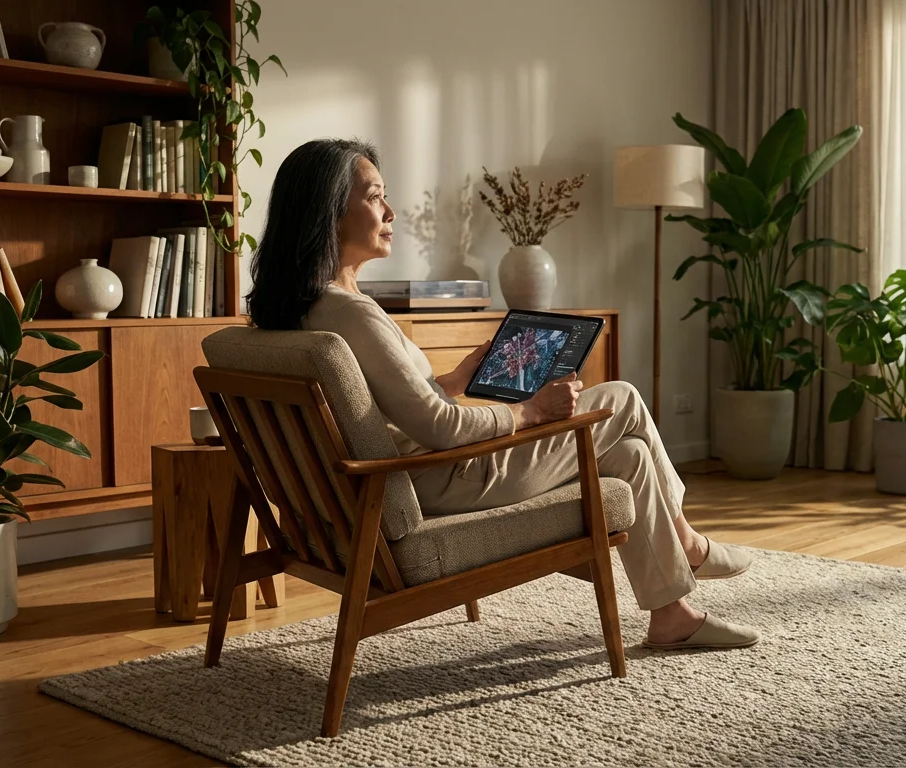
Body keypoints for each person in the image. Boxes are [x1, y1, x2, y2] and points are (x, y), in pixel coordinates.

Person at [246, 138, 759, 650]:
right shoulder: (353, 315)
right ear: (328, 211)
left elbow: (383, 407)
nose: (391, 211)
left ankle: (673, 614)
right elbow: (439, 428)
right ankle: (689, 544)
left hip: (411, 478)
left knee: (627, 457)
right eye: (376, 196)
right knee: (621, 397)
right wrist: (530, 412)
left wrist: (452, 382)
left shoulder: (309, 310)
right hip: (444, 480)